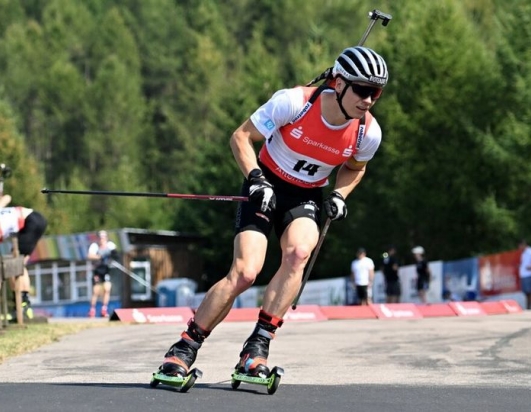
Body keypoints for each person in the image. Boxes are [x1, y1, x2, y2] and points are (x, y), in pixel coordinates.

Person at [158, 46, 389, 380]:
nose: (369, 100)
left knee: (298, 254)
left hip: (305, 195)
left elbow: (356, 167)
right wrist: (255, 179)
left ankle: (257, 348)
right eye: (363, 90)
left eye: (376, 93)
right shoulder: (294, 103)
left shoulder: (368, 132)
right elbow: (240, 137)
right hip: (264, 185)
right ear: (338, 84)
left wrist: (339, 194)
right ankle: (184, 348)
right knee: (245, 273)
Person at [0, 194, 48, 320]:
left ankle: (21, 304)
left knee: (12, 266)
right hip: (35, 218)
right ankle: (24, 303)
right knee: (18, 264)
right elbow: (8, 197)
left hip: (30, 221)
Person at [87, 230, 117, 317]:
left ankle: (104, 309)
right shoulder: (95, 246)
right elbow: (90, 255)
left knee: (107, 289)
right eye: (100, 237)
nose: (102, 239)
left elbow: (115, 253)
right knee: (96, 291)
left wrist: (111, 255)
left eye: (103, 237)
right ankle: (92, 309)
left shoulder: (110, 245)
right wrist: (100, 256)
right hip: (97, 270)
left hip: (106, 270)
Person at [518, 240, 531, 310]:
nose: (519, 247)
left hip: (529, 274)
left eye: (520, 246)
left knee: (530, 291)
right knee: (526, 292)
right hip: (523, 275)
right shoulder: (523, 253)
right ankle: (529, 307)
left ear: (523, 245)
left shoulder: (530, 251)